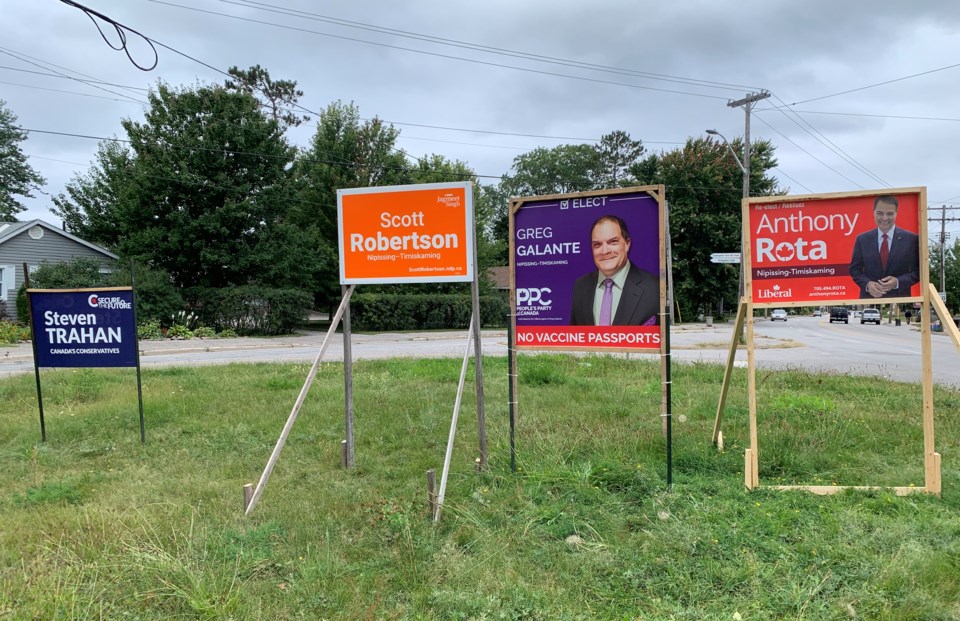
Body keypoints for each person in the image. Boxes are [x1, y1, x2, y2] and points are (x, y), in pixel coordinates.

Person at [570, 215, 659, 326]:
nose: (605, 251)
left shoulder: (655, 288)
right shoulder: (580, 286)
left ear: (627, 244)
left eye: (613, 242)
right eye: (597, 244)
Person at [848, 195, 920, 299]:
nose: (885, 218)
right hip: (868, 300)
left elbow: (918, 272)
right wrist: (868, 285)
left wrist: (898, 282)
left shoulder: (911, 239)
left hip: (899, 300)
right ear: (874, 213)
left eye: (890, 214)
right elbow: (854, 270)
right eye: (880, 213)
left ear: (896, 214)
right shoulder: (862, 239)